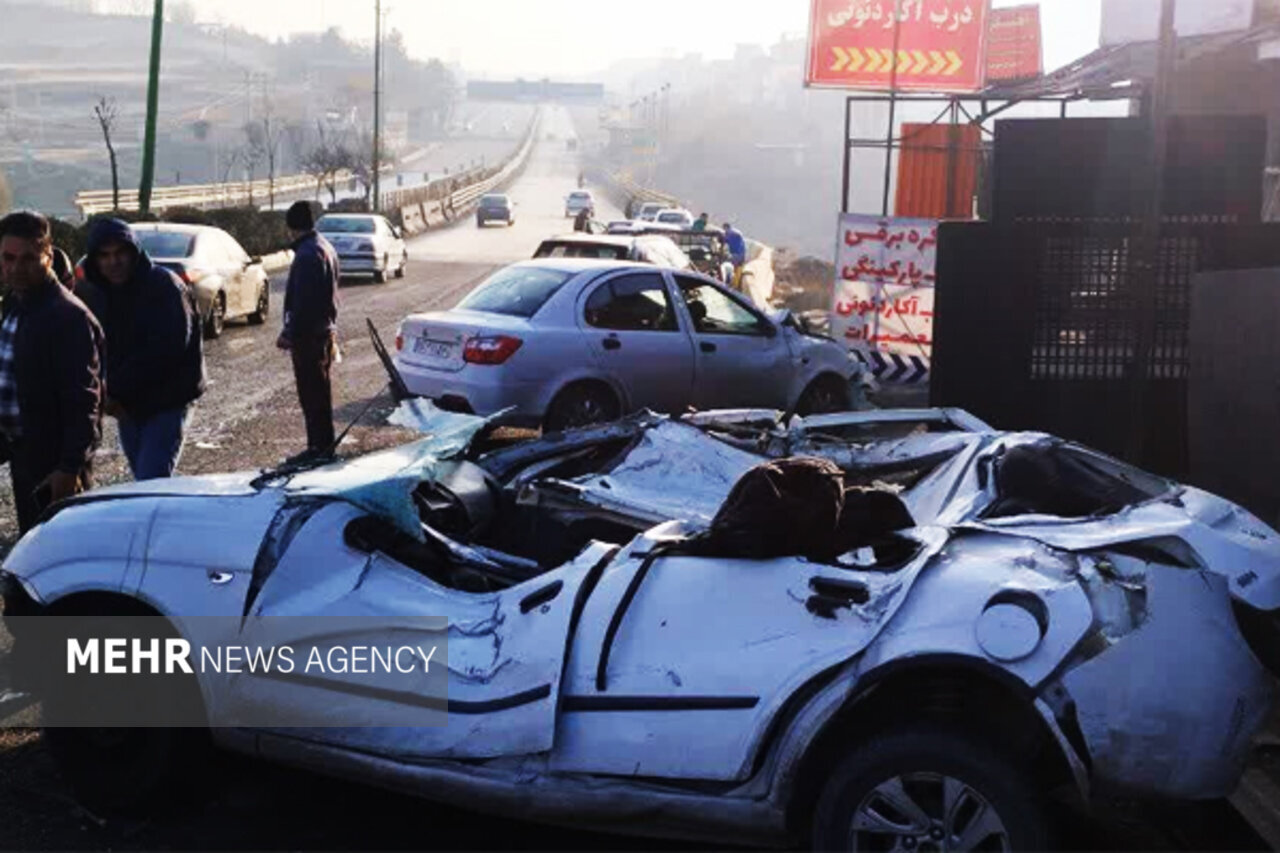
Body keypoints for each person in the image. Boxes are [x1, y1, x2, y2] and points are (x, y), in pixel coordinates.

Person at [76, 218, 205, 482]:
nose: (114, 262)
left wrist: (113, 389)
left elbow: (167, 349)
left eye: (120, 253)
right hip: (129, 407)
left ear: (134, 253)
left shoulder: (163, 285)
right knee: (147, 480)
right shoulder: (101, 294)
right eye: (105, 255)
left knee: (152, 481)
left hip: (166, 402)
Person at [0, 212, 104, 533]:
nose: (17, 267)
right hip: (22, 452)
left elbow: (84, 401)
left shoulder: (67, 318)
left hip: (55, 465)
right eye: (8, 258)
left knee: (62, 555)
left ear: (48, 256)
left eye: (29, 258)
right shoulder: (15, 305)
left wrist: (69, 467)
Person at [278, 200, 340, 461]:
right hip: (324, 332)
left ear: (291, 228)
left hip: (309, 338)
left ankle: (319, 448)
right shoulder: (324, 248)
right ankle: (323, 446)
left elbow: (303, 303)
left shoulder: (305, 256)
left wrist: (289, 334)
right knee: (321, 394)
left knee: (311, 394)